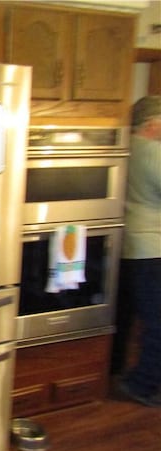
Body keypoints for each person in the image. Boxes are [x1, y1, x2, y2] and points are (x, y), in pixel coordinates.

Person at [114, 95, 161, 407]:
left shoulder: (123, 145)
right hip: (151, 247)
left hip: (124, 241)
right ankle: (142, 385)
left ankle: (112, 367)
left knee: (123, 314)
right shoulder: (153, 151)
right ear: (153, 123)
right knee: (158, 321)